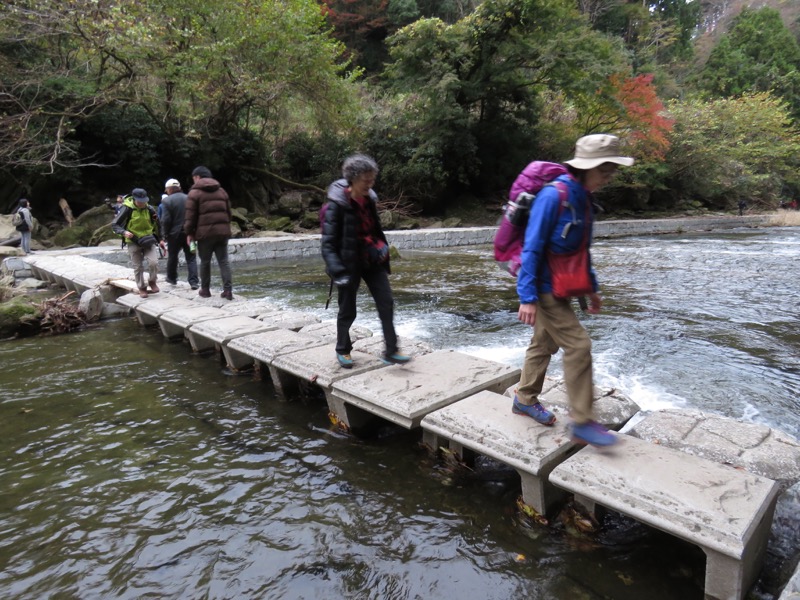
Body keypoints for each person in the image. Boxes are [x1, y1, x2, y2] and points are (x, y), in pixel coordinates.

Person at [513, 134, 634, 447]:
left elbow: (581, 251)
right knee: (579, 346)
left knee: (543, 344)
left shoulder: (584, 200)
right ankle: (581, 421)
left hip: (564, 286)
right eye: (603, 170)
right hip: (544, 288)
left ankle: (524, 398)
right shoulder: (553, 197)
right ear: (585, 167)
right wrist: (526, 297)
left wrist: (590, 290)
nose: (608, 177)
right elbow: (532, 248)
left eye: (611, 171)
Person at [320, 154, 411, 368]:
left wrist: (382, 247)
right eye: (366, 181)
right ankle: (343, 349)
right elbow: (328, 243)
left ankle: (391, 350)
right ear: (353, 179)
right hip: (347, 264)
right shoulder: (337, 206)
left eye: (372, 180)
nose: (370, 185)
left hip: (372, 260)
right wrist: (337, 270)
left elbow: (374, 229)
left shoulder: (369, 200)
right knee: (348, 309)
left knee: (386, 302)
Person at [184, 166, 233, 300]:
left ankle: (205, 290)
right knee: (224, 261)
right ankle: (228, 291)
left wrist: (189, 233)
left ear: (197, 177)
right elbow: (229, 214)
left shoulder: (194, 193)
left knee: (205, 261)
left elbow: (190, 217)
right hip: (223, 233)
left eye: (194, 178)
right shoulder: (222, 191)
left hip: (205, 234)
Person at [111, 188, 166, 298]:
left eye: (144, 201)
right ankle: (141, 287)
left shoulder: (150, 209)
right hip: (133, 240)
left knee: (153, 262)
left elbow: (158, 225)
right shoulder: (127, 209)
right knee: (138, 266)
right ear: (134, 199)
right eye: (140, 201)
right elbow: (115, 225)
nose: (142, 203)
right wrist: (124, 232)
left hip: (148, 239)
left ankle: (152, 281)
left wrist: (161, 239)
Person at [160, 178, 199, 289]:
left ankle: (172, 278)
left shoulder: (166, 201)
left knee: (173, 256)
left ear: (169, 189)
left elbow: (166, 220)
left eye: (166, 189)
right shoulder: (189, 199)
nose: (166, 192)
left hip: (174, 234)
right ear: (179, 188)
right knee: (191, 258)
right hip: (190, 233)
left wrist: (164, 235)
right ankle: (194, 282)